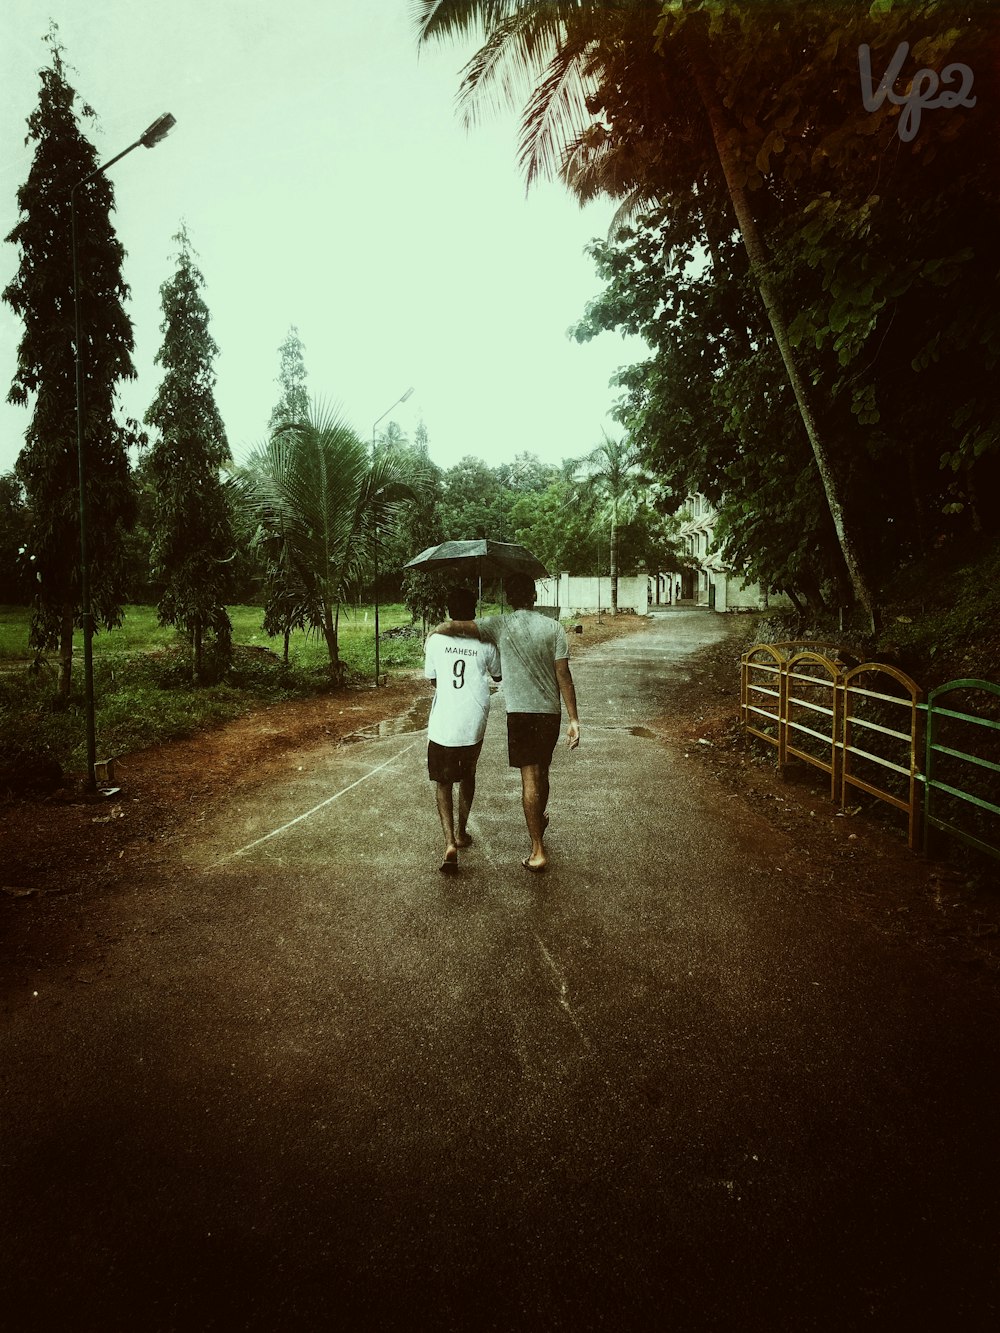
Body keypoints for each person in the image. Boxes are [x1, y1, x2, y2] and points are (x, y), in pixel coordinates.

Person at [432, 571, 580, 873]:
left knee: (529, 778)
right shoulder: (554, 628)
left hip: (520, 713)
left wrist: (439, 628)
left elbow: (456, 626)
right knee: (543, 772)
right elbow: (564, 675)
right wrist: (574, 719)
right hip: (550, 713)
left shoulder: (499, 624)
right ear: (535, 596)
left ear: (509, 599)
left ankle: (537, 850)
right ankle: (540, 817)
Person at [424, 587, 501, 874]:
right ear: (474, 611)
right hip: (474, 720)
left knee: (443, 782)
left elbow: (432, 679)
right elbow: (498, 675)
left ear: (448, 611)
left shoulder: (435, 640)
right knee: (468, 775)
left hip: (444, 720)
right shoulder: (486, 641)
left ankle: (448, 843)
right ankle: (462, 832)